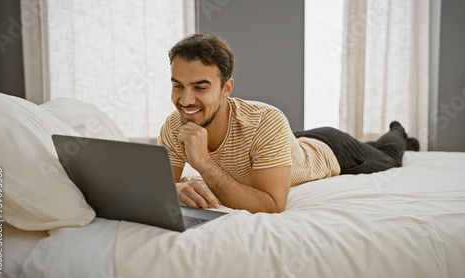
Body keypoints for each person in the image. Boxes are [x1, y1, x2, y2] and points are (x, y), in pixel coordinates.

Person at [158, 34, 419, 214]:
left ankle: (399, 133)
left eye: (200, 87)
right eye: (178, 85)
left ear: (226, 88)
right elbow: (159, 186)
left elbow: (272, 205)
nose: (186, 100)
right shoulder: (174, 125)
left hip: (331, 151)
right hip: (291, 143)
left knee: (389, 156)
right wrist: (175, 188)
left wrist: (203, 162)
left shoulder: (266, 121)